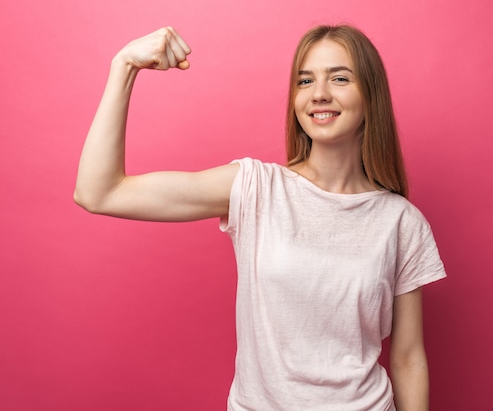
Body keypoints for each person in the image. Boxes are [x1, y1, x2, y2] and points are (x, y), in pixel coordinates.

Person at [75, 25, 446, 411]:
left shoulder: (402, 221)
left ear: (371, 95)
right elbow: (99, 192)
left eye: (339, 78)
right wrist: (124, 66)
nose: (319, 93)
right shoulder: (257, 188)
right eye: (305, 80)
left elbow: (408, 359)